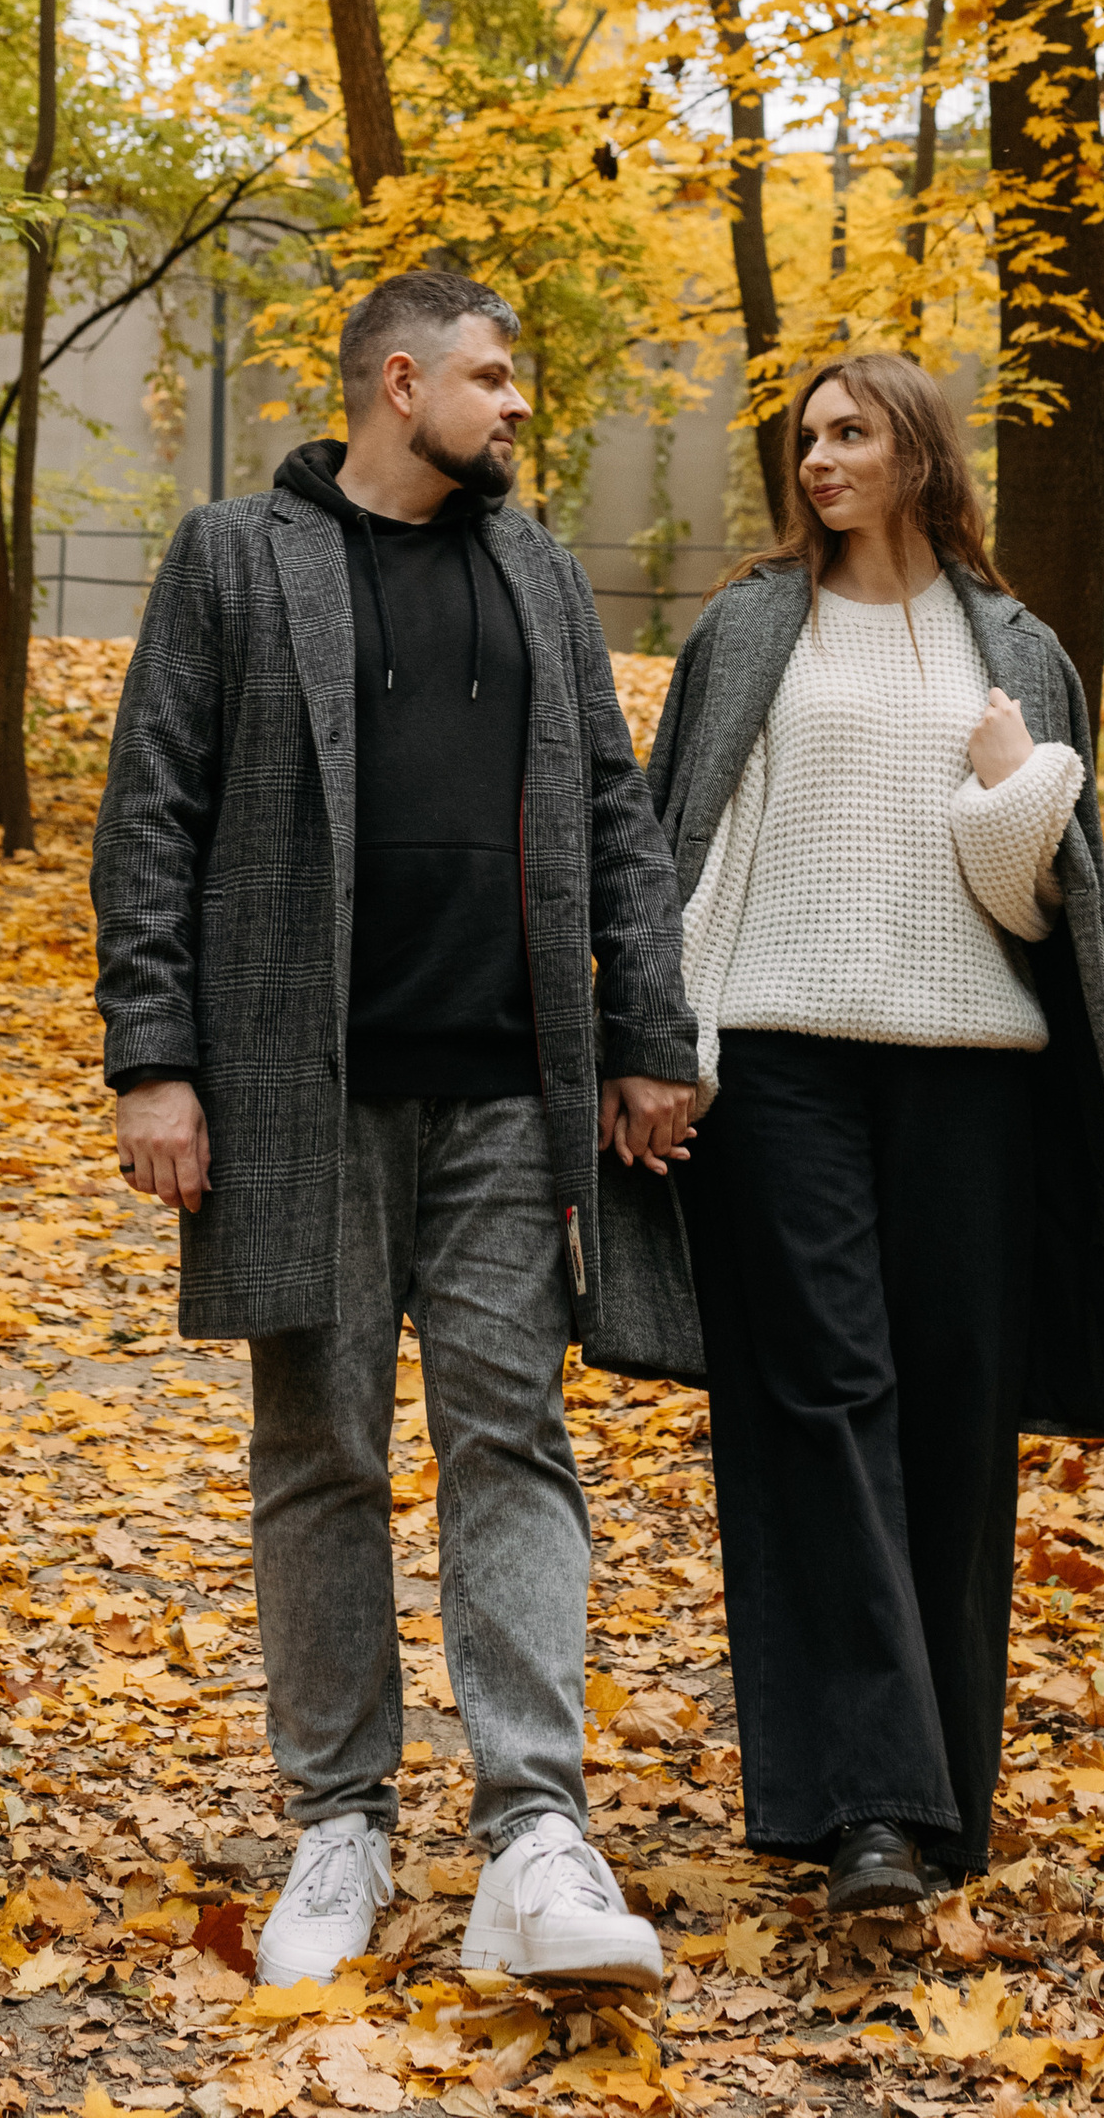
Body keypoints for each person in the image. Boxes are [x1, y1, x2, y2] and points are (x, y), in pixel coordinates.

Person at [92, 266, 699, 1989]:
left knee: (513, 1443)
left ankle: (534, 1842)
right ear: (399, 381)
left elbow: (612, 811)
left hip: (515, 1094)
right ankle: (340, 1826)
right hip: (304, 1095)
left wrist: (649, 1031)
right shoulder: (236, 558)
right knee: (325, 1453)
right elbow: (154, 813)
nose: (516, 411)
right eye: (496, 381)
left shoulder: (539, 567)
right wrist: (156, 1058)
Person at [646, 350, 1104, 1911]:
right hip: (777, 1069)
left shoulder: (1006, 643)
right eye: (806, 437)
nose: (820, 457)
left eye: (851, 432)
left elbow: (1039, 901)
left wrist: (1020, 790)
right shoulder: (753, 626)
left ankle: (939, 1802)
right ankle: (872, 1810)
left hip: (973, 1072)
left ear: (918, 454)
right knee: (822, 1403)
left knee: (957, 1423)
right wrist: (661, 1045)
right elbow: (680, 849)